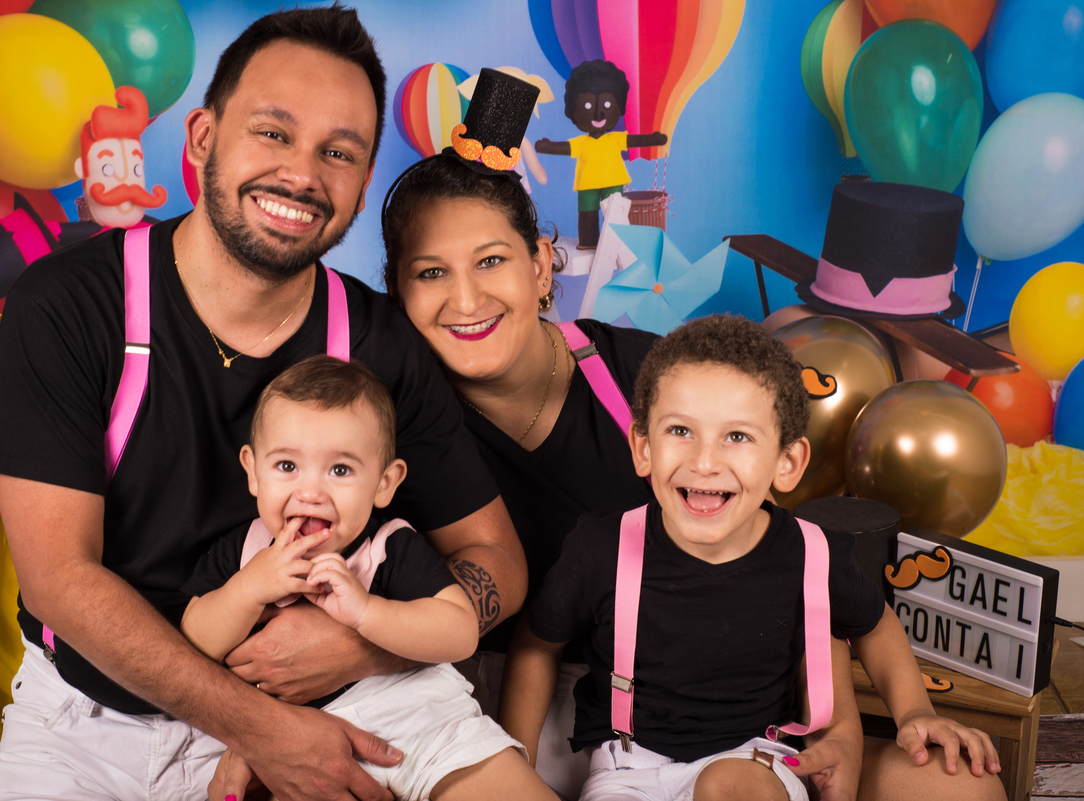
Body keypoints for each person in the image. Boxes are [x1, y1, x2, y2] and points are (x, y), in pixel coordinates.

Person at [0, 7, 527, 801]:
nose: (302, 174)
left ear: (363, 184)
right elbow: (60, 579)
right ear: (202, 138)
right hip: (95, 718)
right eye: (272, 132)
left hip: (347, 691)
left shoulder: (379, 340)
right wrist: (259, 728)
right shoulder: (70, 302)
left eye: (338, 152)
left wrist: (360, 644)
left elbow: (496, 559)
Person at [382, 154, 1006, 801]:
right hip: (536, 717)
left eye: (490, 260)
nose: (466, 299)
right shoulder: (384, 420)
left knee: (958, 787)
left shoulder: (665, 380)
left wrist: (840, 721)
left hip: (733, 726)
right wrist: (509, 753)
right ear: (397, 291)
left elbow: (793, 576)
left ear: (540, 264)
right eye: (431, 272)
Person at [499, 314, 1000, 801]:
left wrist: (913, 712)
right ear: (642, 448)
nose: (704, 461)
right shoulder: (600, 549)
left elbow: (875, 625)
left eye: (737, 436)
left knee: (731, 785)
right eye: (680, 431)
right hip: (629, 768)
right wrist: (516, 765)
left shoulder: (810, 552)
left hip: (754, 761)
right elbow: (535, 647)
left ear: (787, 462)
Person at [180, 355, 555, 801]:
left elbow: (460, 633)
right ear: (253, 471)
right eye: (286, 466)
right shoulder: (244, 551)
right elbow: (194, 640)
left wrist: (367, 612)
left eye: (340, 470)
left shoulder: (388, 546)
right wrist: (247, 589)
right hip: (302, 743)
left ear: (384, 483)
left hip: (423, 722)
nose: (310, 492)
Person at [532, 60, 666, 248]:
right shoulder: (582, 143)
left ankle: (617, 244)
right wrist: (547, 146)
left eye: (607, 104)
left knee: (616, 214)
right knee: (587, 214)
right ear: (573, 111)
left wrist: (654, 139)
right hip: (587, 185)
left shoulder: (615, 139)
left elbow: (635, 140)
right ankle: (589, 242)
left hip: (613, 182)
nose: (598, 114)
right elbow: (563, 147)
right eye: (587, 106)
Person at [74, 85, 168, 229]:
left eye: (137, 169)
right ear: (82, 169)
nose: (127, 186)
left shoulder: (153, 228)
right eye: (107, 169)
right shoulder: (88, 235)